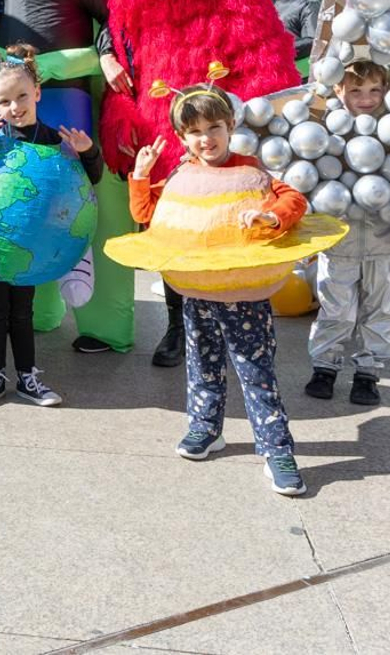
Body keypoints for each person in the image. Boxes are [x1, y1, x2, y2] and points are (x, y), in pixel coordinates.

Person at [101, 0, 300, 367]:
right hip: (163, 134)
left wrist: (244, 126)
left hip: (218, 133)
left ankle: (235, 325)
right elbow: (117, 36)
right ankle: (179, 327)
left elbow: (266, 62)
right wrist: (108, 58)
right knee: (175, 229)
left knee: (227, 228)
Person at [126, 84, 308, 496]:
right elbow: (147, 215)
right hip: (197, 293)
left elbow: (294, 200)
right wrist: (140, 176)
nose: (205, 138)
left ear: (230, 126)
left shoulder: (252, 171)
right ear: (181, 138)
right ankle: (206, 428)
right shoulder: (181, 176)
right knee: (202, 364)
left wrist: (270, 217)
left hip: (243, 295)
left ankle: (276, 447)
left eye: (214, 127)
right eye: (194, 132)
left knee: (256, 371)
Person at [0, 0, 129, 354]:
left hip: (66, 99)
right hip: (13, 101)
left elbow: (116, 18)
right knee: (16, 184)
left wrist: (103, 56)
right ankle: (3, 275)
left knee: (70, 182)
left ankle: (80, 260)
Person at [0, 45, 102, 408]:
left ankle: (28, 376)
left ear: (37, 92)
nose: (15, 107)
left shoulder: (55, 140)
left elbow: (90, 180)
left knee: (22, 312)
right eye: (4, 101)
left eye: (22, 96)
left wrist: (88, 151)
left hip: (29, 249)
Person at [305, 60, 390, 406]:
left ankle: (368, 372)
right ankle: (324, 367)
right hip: (340, 240)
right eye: (356, 90)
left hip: (383, 239)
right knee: (335, 306)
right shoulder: (326, 129)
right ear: (338, 90)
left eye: (375, 90)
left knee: (381, 308)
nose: (366, 98)